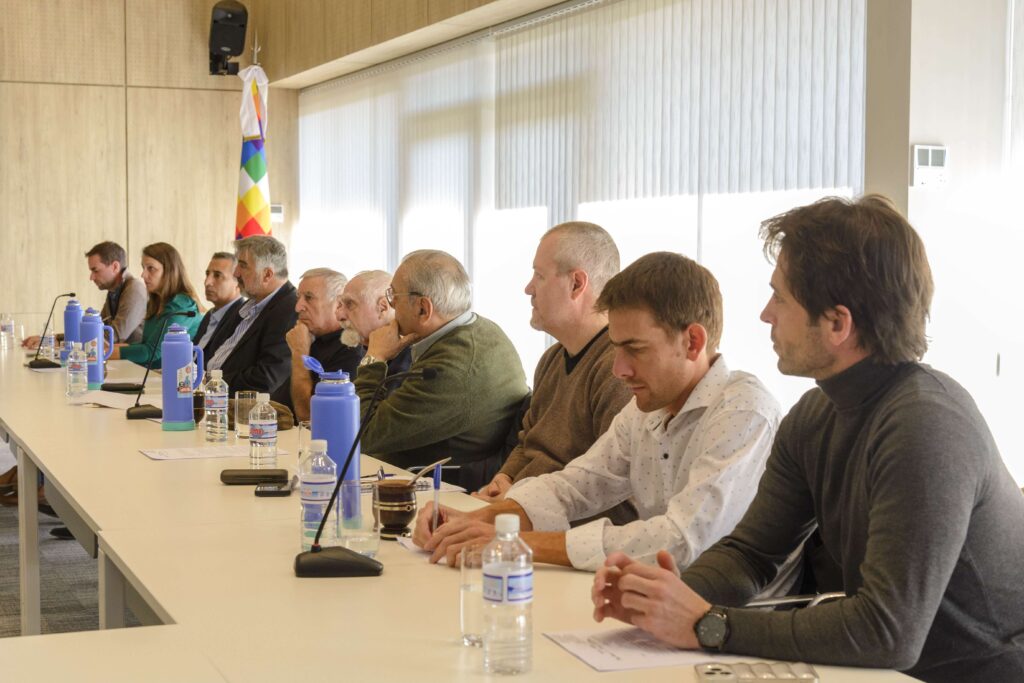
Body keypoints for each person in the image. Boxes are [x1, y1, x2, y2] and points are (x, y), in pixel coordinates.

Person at [590, 196, 1024, 683]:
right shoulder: (815, 414)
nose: (765, 314)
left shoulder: (927, 426)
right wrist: (665, 598)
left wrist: (708, 624)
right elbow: (751, 554)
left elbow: (887, 632)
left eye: (780, 298)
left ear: (837, 324)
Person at [414, 253, 793, 591]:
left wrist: (514, 542)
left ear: (692, 342)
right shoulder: (648, 407)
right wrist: (478, 520)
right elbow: (576, 485)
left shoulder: (744, 412)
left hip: (734, 621)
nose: (619, 369)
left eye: (635, 350)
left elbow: (680, 542)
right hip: (657, 598)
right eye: (616, 348)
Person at [473, 222, 635, 525]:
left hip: (565, 530)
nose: (528, 288)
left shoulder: (619, 370)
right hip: (524, 512)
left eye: (539, 275)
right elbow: (528, 441)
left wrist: (517, 504)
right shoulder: (551, 359)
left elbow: (609, 488)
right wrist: (505, 478)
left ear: (576, 284)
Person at [353, 250, 529, 491]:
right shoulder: (482, 329)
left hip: (433, 487)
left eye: (393, 295)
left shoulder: (453, 367)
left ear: (423, 309)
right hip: (422, 473)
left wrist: (375, 357)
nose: (391, 305)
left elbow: (361, 434)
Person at [206, 235, 297, 397]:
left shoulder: (290, 311)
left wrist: (214, 384)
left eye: (243, 266)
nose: (236, 273)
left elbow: (266, 378)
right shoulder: (249, 304)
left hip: (240, 405)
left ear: (267, 274)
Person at [22, 241, 146, 349]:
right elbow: (94, 331)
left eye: (95, 270)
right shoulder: (114, 291)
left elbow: (111, 337)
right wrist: (53, 338)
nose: (91, 277)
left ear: (115, 267)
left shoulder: (134, 289)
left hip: (134, 365)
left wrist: (58, 342)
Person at [280, 268, 363, 421]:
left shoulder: (350, 349)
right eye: (298, 297)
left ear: (338, 304)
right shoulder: (312, 338)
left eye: (309, 297)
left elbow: (308, 416)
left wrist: (300, 353)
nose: (298, 307)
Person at [110, 242, 202, 368]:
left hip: (174, 376)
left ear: (170, 271)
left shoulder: (182, 305)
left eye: (151, 268)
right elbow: (145, 345)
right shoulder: (156, 301)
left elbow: (152, 352)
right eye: (143, 268)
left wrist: (103, 353)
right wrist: (106, 349)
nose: (143, 275)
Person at [338, 270, 412, 378]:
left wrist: (374, 357)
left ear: (382, 307)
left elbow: (365, 390)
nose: (340, 315)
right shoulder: (364, 347)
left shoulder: (411, 358)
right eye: (341, 304)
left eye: (350, 304)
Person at [194, 251, 244, 360]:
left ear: (238, 282)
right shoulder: (209, 315)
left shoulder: (242, 318)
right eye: (207, 274)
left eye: (217, 275)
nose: (207, 282)